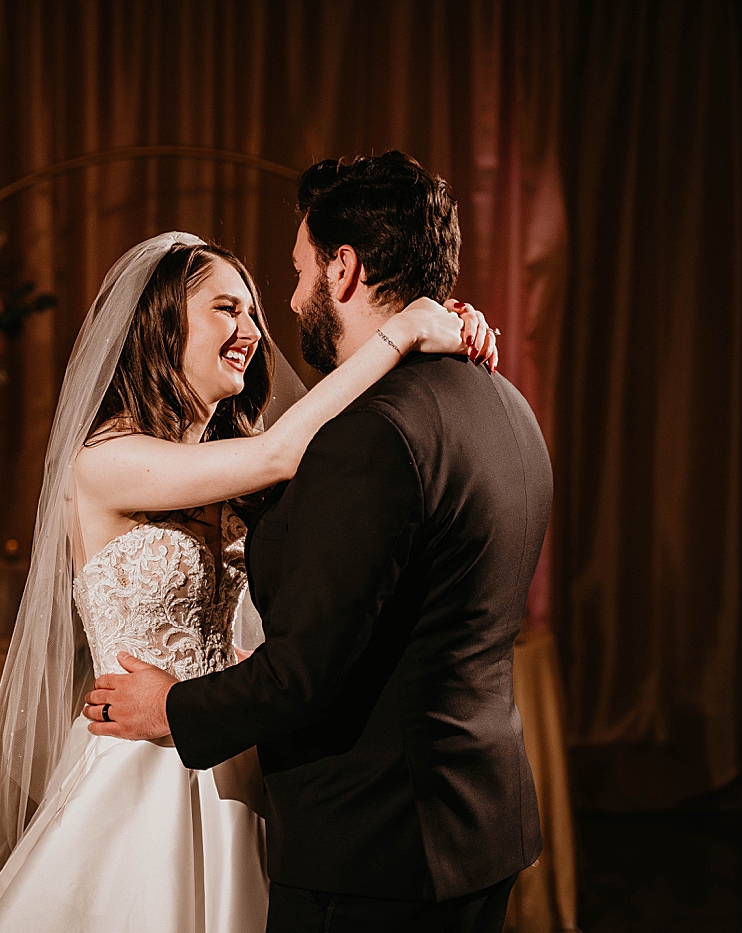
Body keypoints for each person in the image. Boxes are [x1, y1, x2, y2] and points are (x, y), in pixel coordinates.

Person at [0, 229, 497, 933]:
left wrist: (441, 339)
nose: (252, 331)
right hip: (139, 775)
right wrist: (409, 328)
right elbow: (286, 449)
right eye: (226, 309)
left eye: (254, 312)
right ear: (161, 322)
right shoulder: (105, 460)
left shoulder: (234, 470)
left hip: (235, 761)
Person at [85, 151, 552, 933]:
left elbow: (305, 670)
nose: (279, 311)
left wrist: (176, 701)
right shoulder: (504, 403)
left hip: (374, 840)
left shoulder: (363, 437)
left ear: (344, 268)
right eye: (227, 309)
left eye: (293, 276)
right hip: (468, 821)